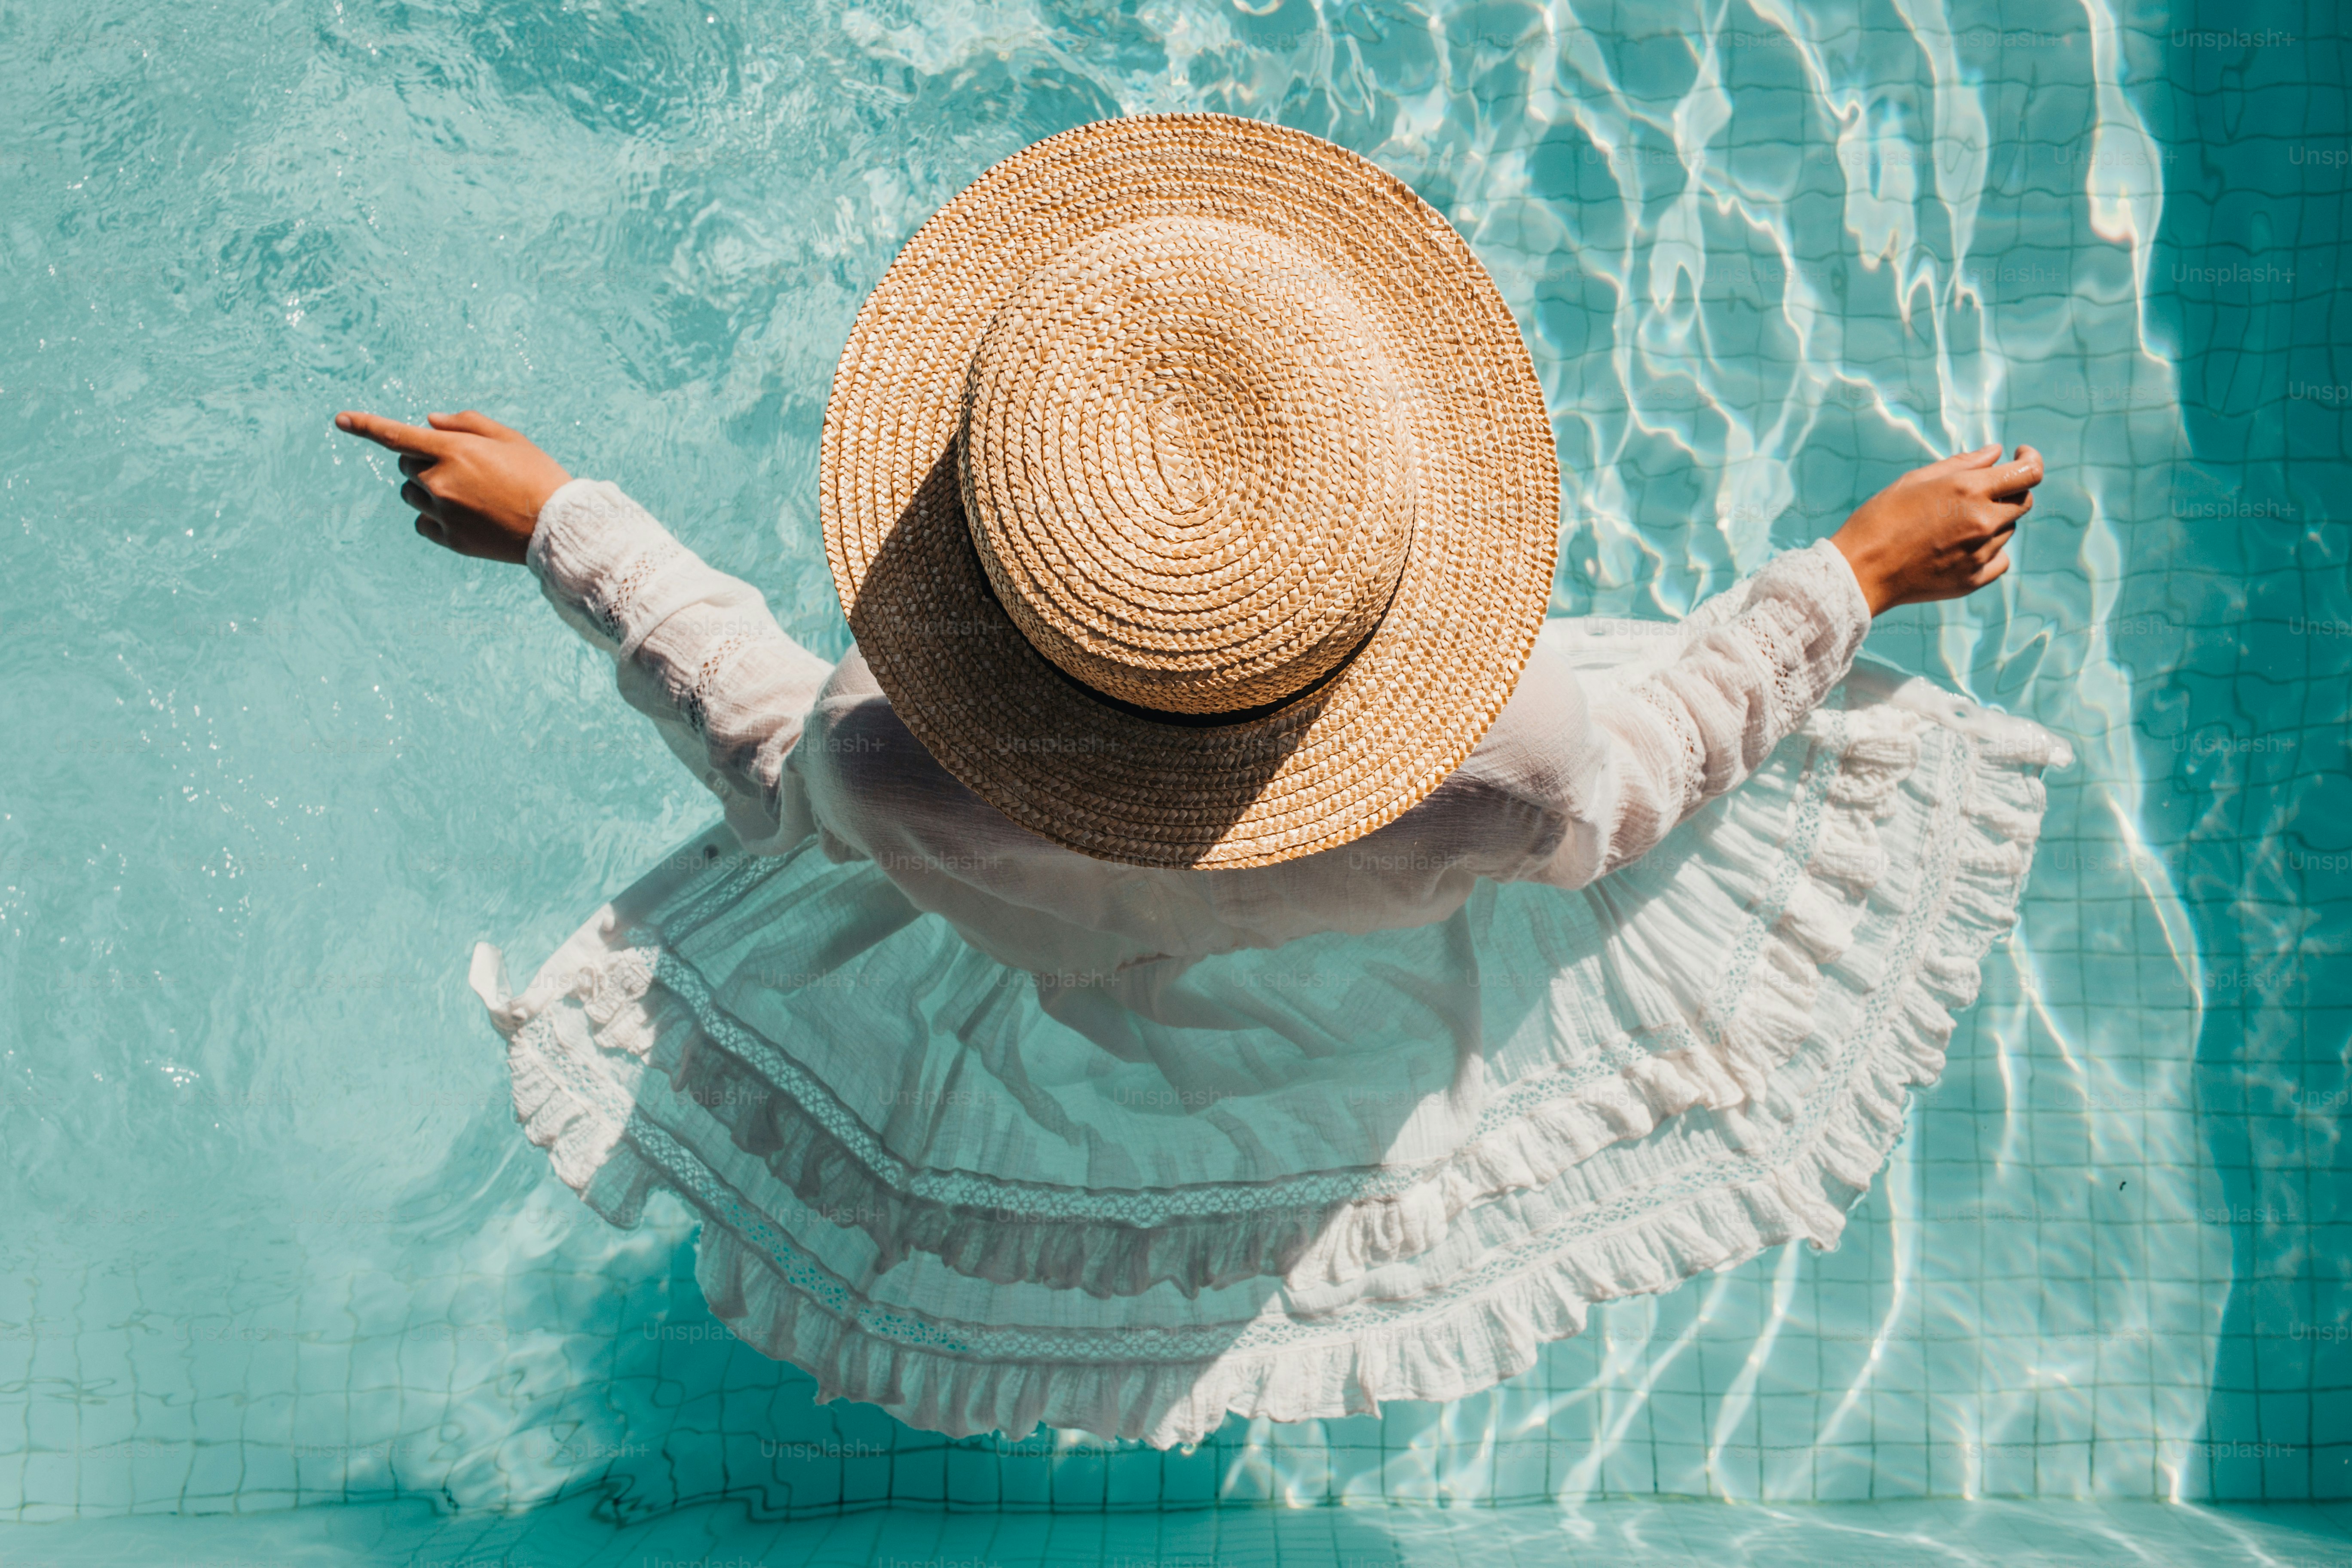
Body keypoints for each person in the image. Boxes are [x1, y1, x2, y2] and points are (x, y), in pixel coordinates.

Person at [337, 115, 2065, 1449]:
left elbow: (764, 747)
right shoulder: (1506, 752)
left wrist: (569, 527)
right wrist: (1853, 570)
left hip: (1042, 962)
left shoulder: (896, 766)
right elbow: (1655, 776)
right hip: (1353, 979)